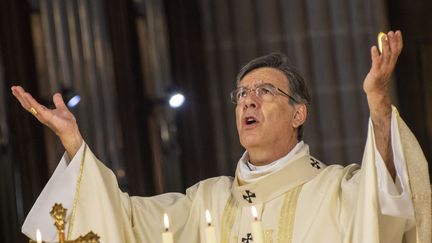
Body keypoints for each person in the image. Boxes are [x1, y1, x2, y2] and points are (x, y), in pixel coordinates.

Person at [12, 30, 430, 243]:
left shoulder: (337, 191)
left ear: (299, 112)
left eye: (264, 92)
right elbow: (125, 222)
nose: (248, 102)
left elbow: (388, 199)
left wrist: (377, 102)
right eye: (242, 94)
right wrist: (73, 143)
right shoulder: (206, 201)